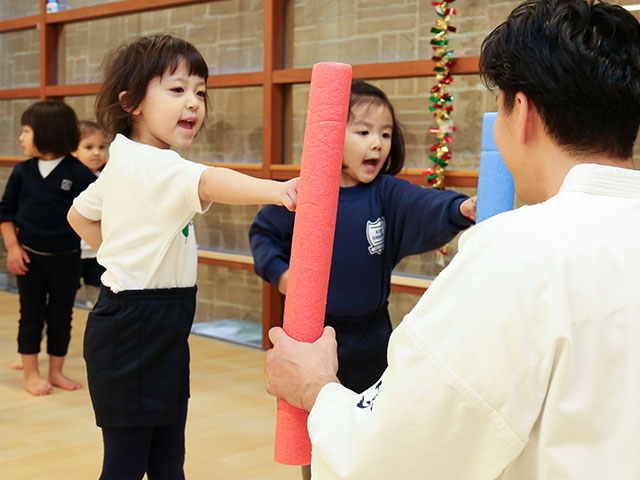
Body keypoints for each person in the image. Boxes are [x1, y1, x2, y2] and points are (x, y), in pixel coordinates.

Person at [265, 0, 640, 478]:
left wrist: (315, 387)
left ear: (520, 112)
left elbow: (400, 450)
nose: (375, 143)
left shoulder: (516, 252)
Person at [66, 34, 298, 480]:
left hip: (158, 328)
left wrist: (121, 255)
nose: (193, 103)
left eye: (200, 92)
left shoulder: (128, 159)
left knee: (168, 461)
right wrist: (279, 191)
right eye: (176, 90)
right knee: (126, 466)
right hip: (131, 331)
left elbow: (78, 215)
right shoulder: (154, 165)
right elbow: (210, 181)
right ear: (131, 101)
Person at [251, 79, 476, 394]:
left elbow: (424, 204)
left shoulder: (385, 193)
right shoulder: (303, 193)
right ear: (329, 136)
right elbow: (264, 234)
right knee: (311, 424)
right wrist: (281, 273)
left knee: (369, 419)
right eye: (363, 132)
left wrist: (460, 207)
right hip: (314, 337)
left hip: (373, 336)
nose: (378, 143)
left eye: (385, 134)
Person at [0, 100, 96, 395]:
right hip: (29, 258)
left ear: (47, 133)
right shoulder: (22, 172)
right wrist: (13, 249)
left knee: (60, 317)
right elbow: (6, 212)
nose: (21, 138)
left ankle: (56, 372)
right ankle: (31, 373)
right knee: (30, 315)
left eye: (26, 131)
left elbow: (96, 212)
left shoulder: (78, 173)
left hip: (66, 260)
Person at [72, 120, 109, 309]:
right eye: (89, 147)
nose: (97, 152)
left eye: (102, 147)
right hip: (71, 251)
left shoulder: (108, 178)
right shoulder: (68, 179)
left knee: (97, 302)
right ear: (73, 150)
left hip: (97, 252)